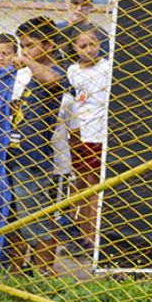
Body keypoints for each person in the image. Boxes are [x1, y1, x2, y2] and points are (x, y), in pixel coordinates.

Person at [2, 16, 67, 277]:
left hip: (33, 157)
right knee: (15, 221)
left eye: (29, 45)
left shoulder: (53, 71)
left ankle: (44, 275)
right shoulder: (26, 76)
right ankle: (14, 274)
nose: (24, 51)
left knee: (37, 220)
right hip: (14, 153)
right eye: (22, 45)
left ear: (49, 45)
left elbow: (54, 81)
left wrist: (28, 61)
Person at [66, 27, 111, 253]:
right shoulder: (73, 71)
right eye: (82, 46)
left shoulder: (107, 68)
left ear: (99, 44)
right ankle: (80, 233)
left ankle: (92, 237)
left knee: (94, 185)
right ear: (74, 48)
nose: (88, 49)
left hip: (98, 134)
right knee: (79, 183)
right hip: (77, 134)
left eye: (92, 44)